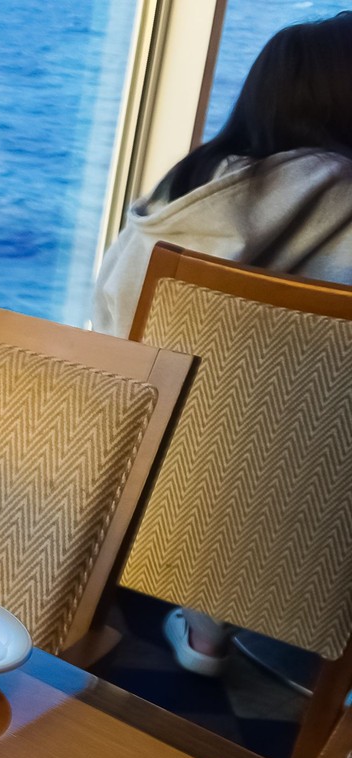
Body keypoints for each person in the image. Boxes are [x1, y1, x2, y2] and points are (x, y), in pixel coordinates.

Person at [93, 11, 352, 675]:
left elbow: (110, 339)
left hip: (150, 499)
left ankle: (201, 632)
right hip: (321, 534)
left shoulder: (189, 198)